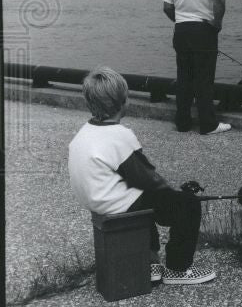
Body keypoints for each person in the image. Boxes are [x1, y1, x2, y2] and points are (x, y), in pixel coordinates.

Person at [67, 67, 216, 285]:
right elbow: (147, 178)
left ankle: (149, 262)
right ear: (122, 103)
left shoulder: (83, 134)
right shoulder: (119, 135)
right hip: (116, 204)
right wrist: (176, 193)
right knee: (186, 204)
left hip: (96, 200)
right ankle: (178, 270)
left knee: (141, 197)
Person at [161, 0, 231, 135]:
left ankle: (182, 122)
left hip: (181, 30)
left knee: (184, 78)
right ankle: (208, 124)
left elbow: (167, 6)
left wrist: (181, 20)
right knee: (204, 78)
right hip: (203, 30)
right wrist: (217, 22)